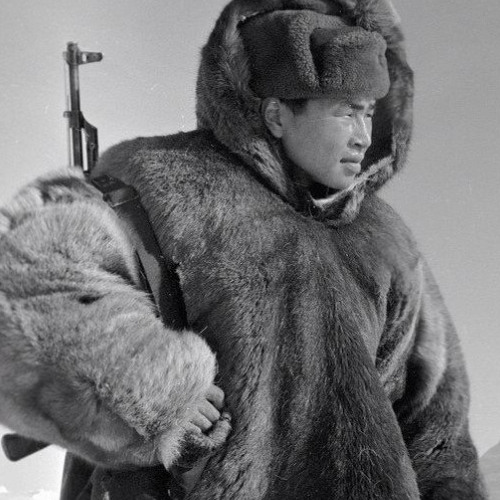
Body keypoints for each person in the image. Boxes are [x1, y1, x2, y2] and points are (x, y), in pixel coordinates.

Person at [0, 0, 488, 499]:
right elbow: (24, 289)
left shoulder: (386, 239)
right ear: (277, 114)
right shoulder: (159, 180)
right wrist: (155, 394)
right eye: (345, 112)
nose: (364, 136)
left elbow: (438, 433)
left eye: (368, 112)